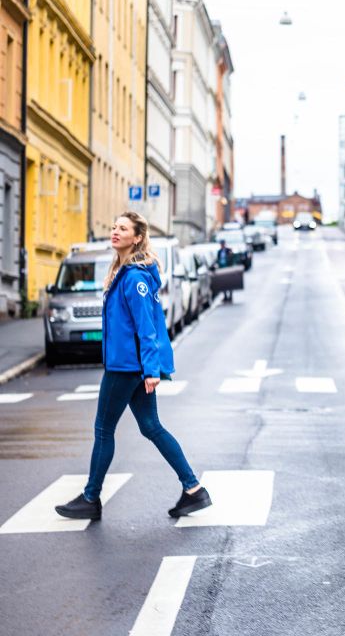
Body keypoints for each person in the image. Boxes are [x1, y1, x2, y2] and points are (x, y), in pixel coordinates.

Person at [55, 212, 212, 521]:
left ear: (137, 237)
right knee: (151, 427)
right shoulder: (125, 272)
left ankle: (90, 498)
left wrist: (151, 370)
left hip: (126, 367)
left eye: (123, 228)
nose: (115, 231)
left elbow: (147, 327)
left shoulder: (134, 278)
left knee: (103, 429)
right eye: (114, 226)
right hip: (131, 365)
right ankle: (193, 489)